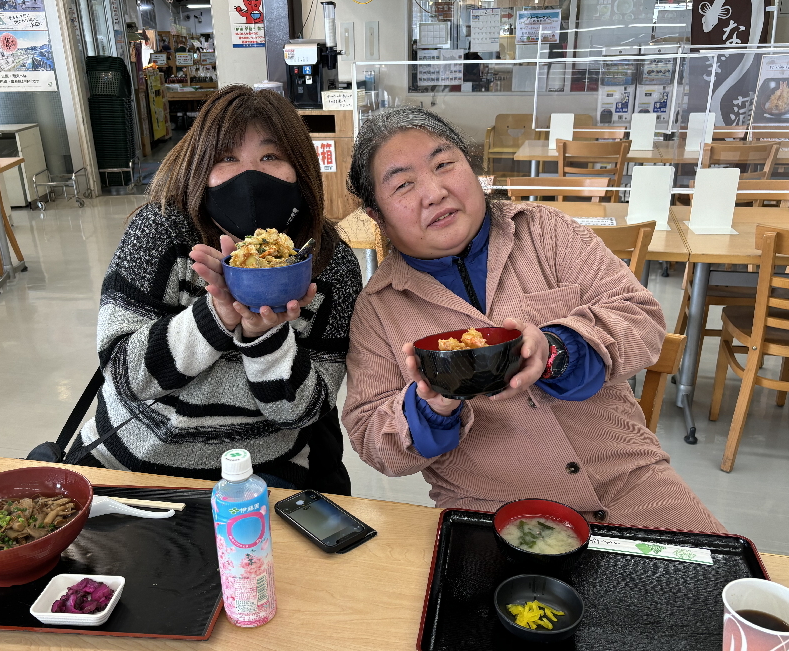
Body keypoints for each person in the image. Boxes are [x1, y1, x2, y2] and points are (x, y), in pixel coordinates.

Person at [341, 107, 722, 531]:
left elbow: (642, 317)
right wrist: (428, 409)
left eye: (444, 164)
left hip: (631, 486)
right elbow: (371, 438)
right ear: (377, 216)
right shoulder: (379, 308)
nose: (433, 192)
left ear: (472, 166)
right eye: (404, 185)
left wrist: (557, 349)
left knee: (716, 589)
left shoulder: (546, 233)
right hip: (489, 510)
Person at [74, 85, 362, 494]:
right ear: (200, 167)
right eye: (226, 157)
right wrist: (215, 317)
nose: (250, 175)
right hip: (133, 462)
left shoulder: (329, 263)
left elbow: (304, 412)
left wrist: (265, 339)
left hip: (267, 473)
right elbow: (121, 375)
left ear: (300, 168)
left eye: (270, 156)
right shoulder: (161, 232)